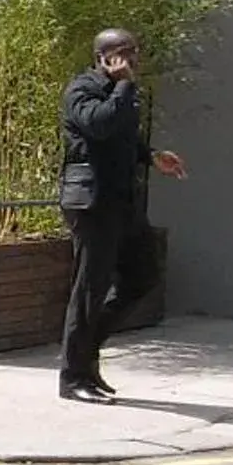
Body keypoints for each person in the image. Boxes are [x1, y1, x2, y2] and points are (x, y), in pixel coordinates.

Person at [58, 28, 187, 402]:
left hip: (122, 201)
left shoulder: (122, 92)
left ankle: (86, 351)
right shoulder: (81, 89)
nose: (132, 61)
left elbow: (122, 139)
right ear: (103, 57)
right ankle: (73, 378)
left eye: (135, 53)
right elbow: (99, 125)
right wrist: (123, 86)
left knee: (143, 276)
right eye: (124, 53)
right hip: (92, 202)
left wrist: (151, 156)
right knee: (89, 289)